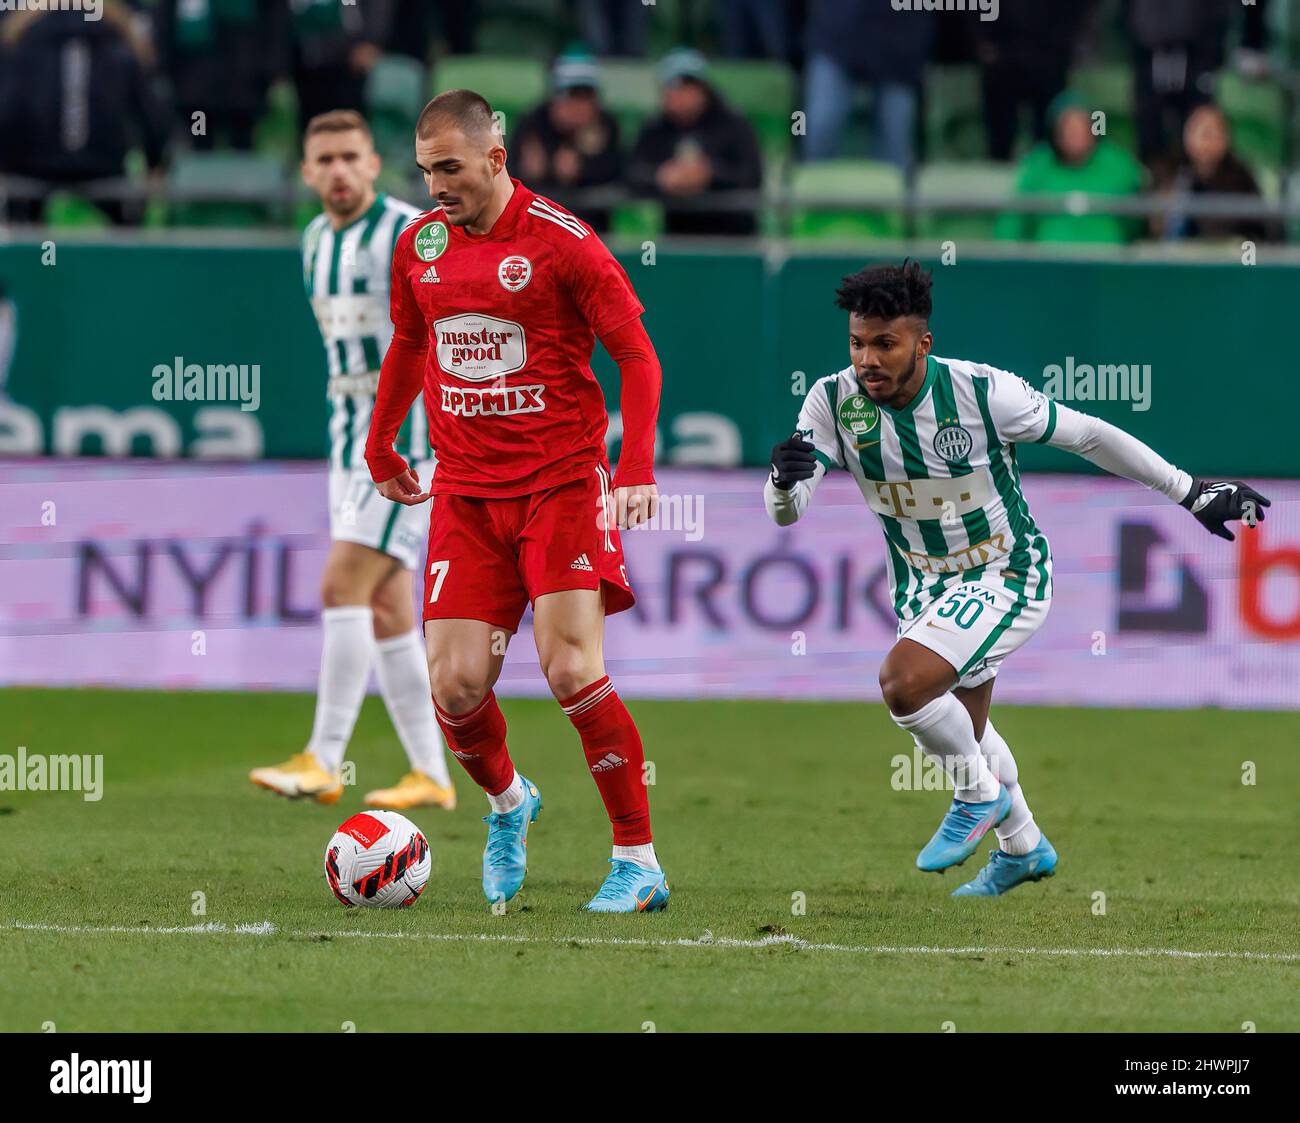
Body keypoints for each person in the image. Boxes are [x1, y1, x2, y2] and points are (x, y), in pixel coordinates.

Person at [765, 261, 1269, 896]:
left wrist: (1188, 490)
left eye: (884, 344)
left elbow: (1086, 435)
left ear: (922, 343)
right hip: (921, 588)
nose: (867, 359)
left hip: (1008, 573)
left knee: (903, 684)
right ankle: (1024, 846)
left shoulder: (982, 394)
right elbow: (787, 512)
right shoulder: (831, 400)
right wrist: (783, 481)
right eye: (857, 343)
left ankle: (979, 798)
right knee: (966, 728)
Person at [364, 90, 670, 913]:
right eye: (427, 171)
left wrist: (635, 468)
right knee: (457, 685)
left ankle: (637, 860)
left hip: (561, 483)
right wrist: (381, 441)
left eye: (451, 169)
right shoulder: (419, 245)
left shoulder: (563, 243)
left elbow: (637, 358)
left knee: (571, 666)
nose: (436, 188)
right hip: (464, 492)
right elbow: (409, 343)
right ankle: (510, 802)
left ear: (496, 160)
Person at [249, 110, 456, 813]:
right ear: (306, 173)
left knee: (342, 585)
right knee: (388, 605)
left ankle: (324, 757)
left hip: (409, 448)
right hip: (347, 443)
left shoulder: (413, 233)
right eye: (324, 159)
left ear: (374, 163)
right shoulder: (312, 239)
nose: (338, 170)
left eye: (350, 156)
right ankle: (431, 773)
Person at [626, 48, 762, 236]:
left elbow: (752, 176)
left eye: (689, 87)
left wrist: (710, 174)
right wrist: (661, 176)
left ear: (703, 90)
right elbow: (631, 173)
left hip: (733, 237)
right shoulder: (656, 128)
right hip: (679, 237)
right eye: (674, 89)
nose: (680, 96)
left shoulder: (733, 125)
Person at [995, 91, 1144, 244]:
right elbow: (1012, 224)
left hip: (1106, 261)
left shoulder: (1118, 164)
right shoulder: (1039, 165)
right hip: (1050, 261)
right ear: (1056, 133)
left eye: (1081, 126)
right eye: (1068, 128)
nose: (1076, 134)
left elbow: (1137, 222)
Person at [513, 53, 622, 233]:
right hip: (537, 228)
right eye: (572, 95)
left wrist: (584, 168)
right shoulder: (532, 124)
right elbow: (510, 175)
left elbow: (619, 174)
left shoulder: (607, 125)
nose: (580, 105)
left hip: (592, 229)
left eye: (587, 96)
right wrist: (536, 173)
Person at [1158, 103, 1280, 244]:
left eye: (1212, 133)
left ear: (1226, 138)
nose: (1206, 141)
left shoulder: (1241, 178)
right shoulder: (1173, 172)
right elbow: (1159, 229)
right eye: (1201, 132)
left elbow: (1255, 233)